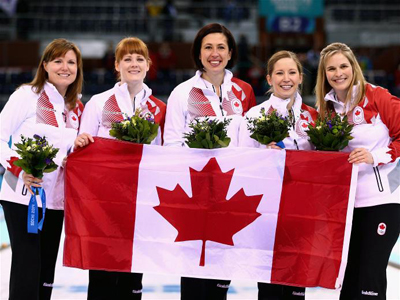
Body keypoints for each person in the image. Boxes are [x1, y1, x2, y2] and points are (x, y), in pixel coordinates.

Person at [163, 23, 256, 300]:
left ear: (230, 54)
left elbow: (251, 140)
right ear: (198, 53)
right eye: (208, 47)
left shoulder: (244, 91)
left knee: (221, 277)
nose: (214, 53)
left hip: (231, 193)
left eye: (220, 47)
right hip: (195, 194)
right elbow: (171, 143)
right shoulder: (183, 92)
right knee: (194, 274)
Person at [74, 37, 166, 300]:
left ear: (148, 65)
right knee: (102, 274)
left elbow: (162, 157)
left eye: (139, 59)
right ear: (117, 64)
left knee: (133, 274)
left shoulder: (159, 108)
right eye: (127, 59)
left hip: (140, 202)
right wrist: (79, 143)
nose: (133, 64)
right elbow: (82, 152)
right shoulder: (99, 103)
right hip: (103, 202)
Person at [315, 42, 400, 300]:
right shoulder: (327, 109)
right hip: (347, 205)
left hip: (383, 200)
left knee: (369, 278)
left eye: (343, 66)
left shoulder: (378, 96)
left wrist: (374, 156)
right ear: (324, 74)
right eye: (331, 68)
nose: (338, 73)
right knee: (349, 278)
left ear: (354, 67)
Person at [0, 38, 84, 300]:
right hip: (22, 195)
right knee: (28, 266)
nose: (65, 67)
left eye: (71, 62)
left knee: (46, 272)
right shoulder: (27, 95)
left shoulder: (76, 108)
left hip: (56, 201)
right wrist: (18, 169)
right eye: (58, 61)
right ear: (45, 65)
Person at [239, 50, 317, 299]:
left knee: (297, 286)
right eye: (280, 73)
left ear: (301, 77)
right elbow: (242, 166)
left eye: (292, 72)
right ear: (269, 78)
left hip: (302, 211)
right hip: (267, 211)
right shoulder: (254, 116)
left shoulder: (314, 117)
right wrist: (264, 155)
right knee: (270, 286)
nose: (287, 78)